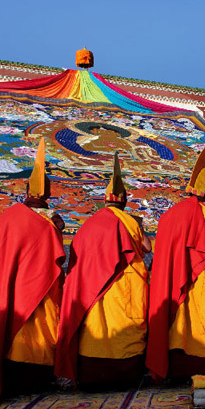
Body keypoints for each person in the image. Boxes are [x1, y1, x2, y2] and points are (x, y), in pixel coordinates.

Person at [0, 138, 66, 405]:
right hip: (40, 292)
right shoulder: (48, 222)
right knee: (40, 332)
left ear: (25, 191)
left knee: (13, 330)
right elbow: (57, 259)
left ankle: (7, 373)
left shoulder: (7, 218)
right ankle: (38, 377)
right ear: (46, 195)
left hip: (10, 292)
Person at [56, 152, 151, 390]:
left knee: (95, 328)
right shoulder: (129, 221)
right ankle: (127, 375)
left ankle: (91, 375)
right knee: (125, 330)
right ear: (124, 200)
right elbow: (147, 248)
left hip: (93, 287)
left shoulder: (88, 224)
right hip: (126, 286)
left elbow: (75, 257)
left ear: (104, 200)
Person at [147, 144, 205, 381]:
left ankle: (175, 369)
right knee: (204, 318)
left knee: (179, 322)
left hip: (175, 280)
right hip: (204, 279)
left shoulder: (170, 215)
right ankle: (203, 366)